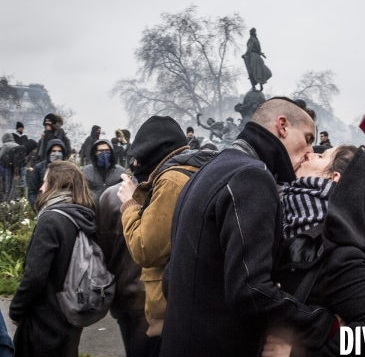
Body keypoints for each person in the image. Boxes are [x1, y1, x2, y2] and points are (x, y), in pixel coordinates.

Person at [161, 98, 337, 356]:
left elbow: (170, 277)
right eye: (308, 138)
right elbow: (251, 291)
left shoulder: (209, 170)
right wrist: (323, 324)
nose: (311, 151)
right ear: (283, 126)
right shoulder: (252, 176)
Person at [264, 146, 365, 356]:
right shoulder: (286, 219)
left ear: (334, 177)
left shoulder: (338, 249)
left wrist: (299, 354)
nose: (309, 153)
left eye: (321, 156)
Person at [118, 116, 216, 343]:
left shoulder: (171, 180)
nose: (134, 166)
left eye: (137, 159)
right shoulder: (190, 171)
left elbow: (146, 249)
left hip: (172, 311)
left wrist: (129, 205)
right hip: (185, 306)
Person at [9, 161, 96, 357]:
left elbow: (34, 276)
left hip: (43, 321)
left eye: (45, 181)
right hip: (71, 314)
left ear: (57, 184)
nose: (41, 187)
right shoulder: (82, 217)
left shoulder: (51, 219)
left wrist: (16, 310)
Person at [96, 182, 158, 356]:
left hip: (123, 293)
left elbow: (102, 249)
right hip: (152, 293)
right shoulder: (165, 192)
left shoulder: (110, 195)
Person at [82, 139, 125, 207]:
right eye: (101, 150)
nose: (104, 153)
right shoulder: (86, 171)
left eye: (107, 150)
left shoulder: (120, 171)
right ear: (95, 152)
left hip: (113, 209)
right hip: (92, 209)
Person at [27, 139, 68, 212]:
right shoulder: (39, 168)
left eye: (60, 151)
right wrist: (36, 207)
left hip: (63, 207)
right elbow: (32, 191)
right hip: (44, 206)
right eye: (53, 151)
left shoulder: (68, 169)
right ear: (49, 152)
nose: (57, 154)